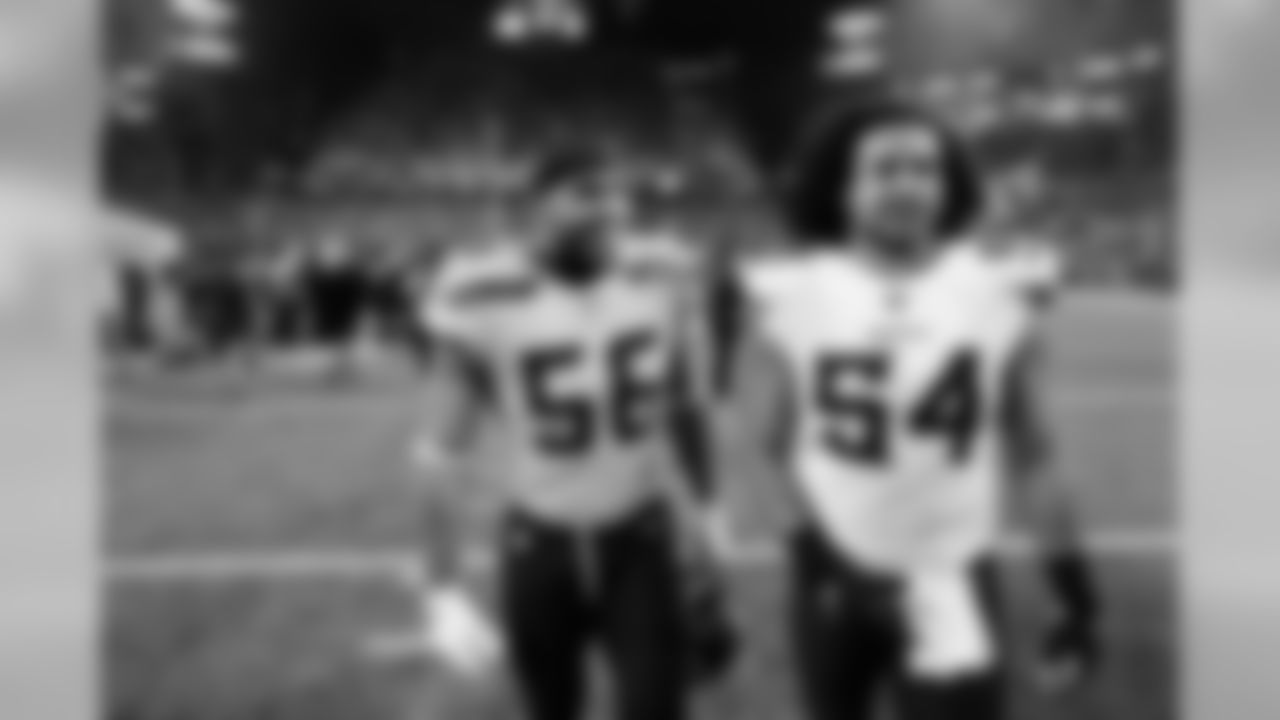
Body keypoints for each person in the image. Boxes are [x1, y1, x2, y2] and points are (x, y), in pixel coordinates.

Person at [722, 101, 1100, 720]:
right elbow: (759, 452)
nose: (907, 185)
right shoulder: (785, 300)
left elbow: (1036, 452)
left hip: (950, 575)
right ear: (842, 187)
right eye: (884, 168)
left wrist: (1073, 585)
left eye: (925, 168)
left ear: (949, 185)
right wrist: (820, 561)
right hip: (833, 574)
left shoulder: (999, 296)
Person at [410, 146, 732, 720]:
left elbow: (686, 404)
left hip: (641, 537)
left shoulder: (661, 275)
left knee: (657, 708)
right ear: (536, 206)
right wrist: (443, 589)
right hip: (539, 545)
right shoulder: (482, 291)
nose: (609, 208)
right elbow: (437, 454)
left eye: (616, 194)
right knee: (552, 709)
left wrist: (710, 508)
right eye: (586, 193)